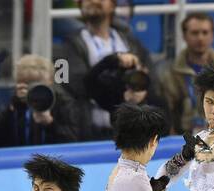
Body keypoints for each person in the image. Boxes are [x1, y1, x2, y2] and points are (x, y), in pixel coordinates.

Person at [56, 0, 157, 139]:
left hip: (131, 133)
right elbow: (75, 87)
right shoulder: (67, 46)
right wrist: (111, 63)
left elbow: (152, 80)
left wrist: (141, 92)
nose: (93, 1)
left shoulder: (132, 42)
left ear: (113, 5)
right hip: (89, 133)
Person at [158, 11, 214, 134]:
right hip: (182, 138)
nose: (200, 38)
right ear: (184, 36)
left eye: (205, 32)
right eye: (195, 33)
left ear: (212, 36)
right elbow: (164, 113)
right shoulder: (170, 73)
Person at [0, 55, 82, 148]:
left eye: (39, 84)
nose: (34, 89)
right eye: (27, 83)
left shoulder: (63, 103)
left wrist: (50, 123)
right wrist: (11, 110)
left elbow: (73, 142)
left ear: (50, 82)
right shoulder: (16, 105)